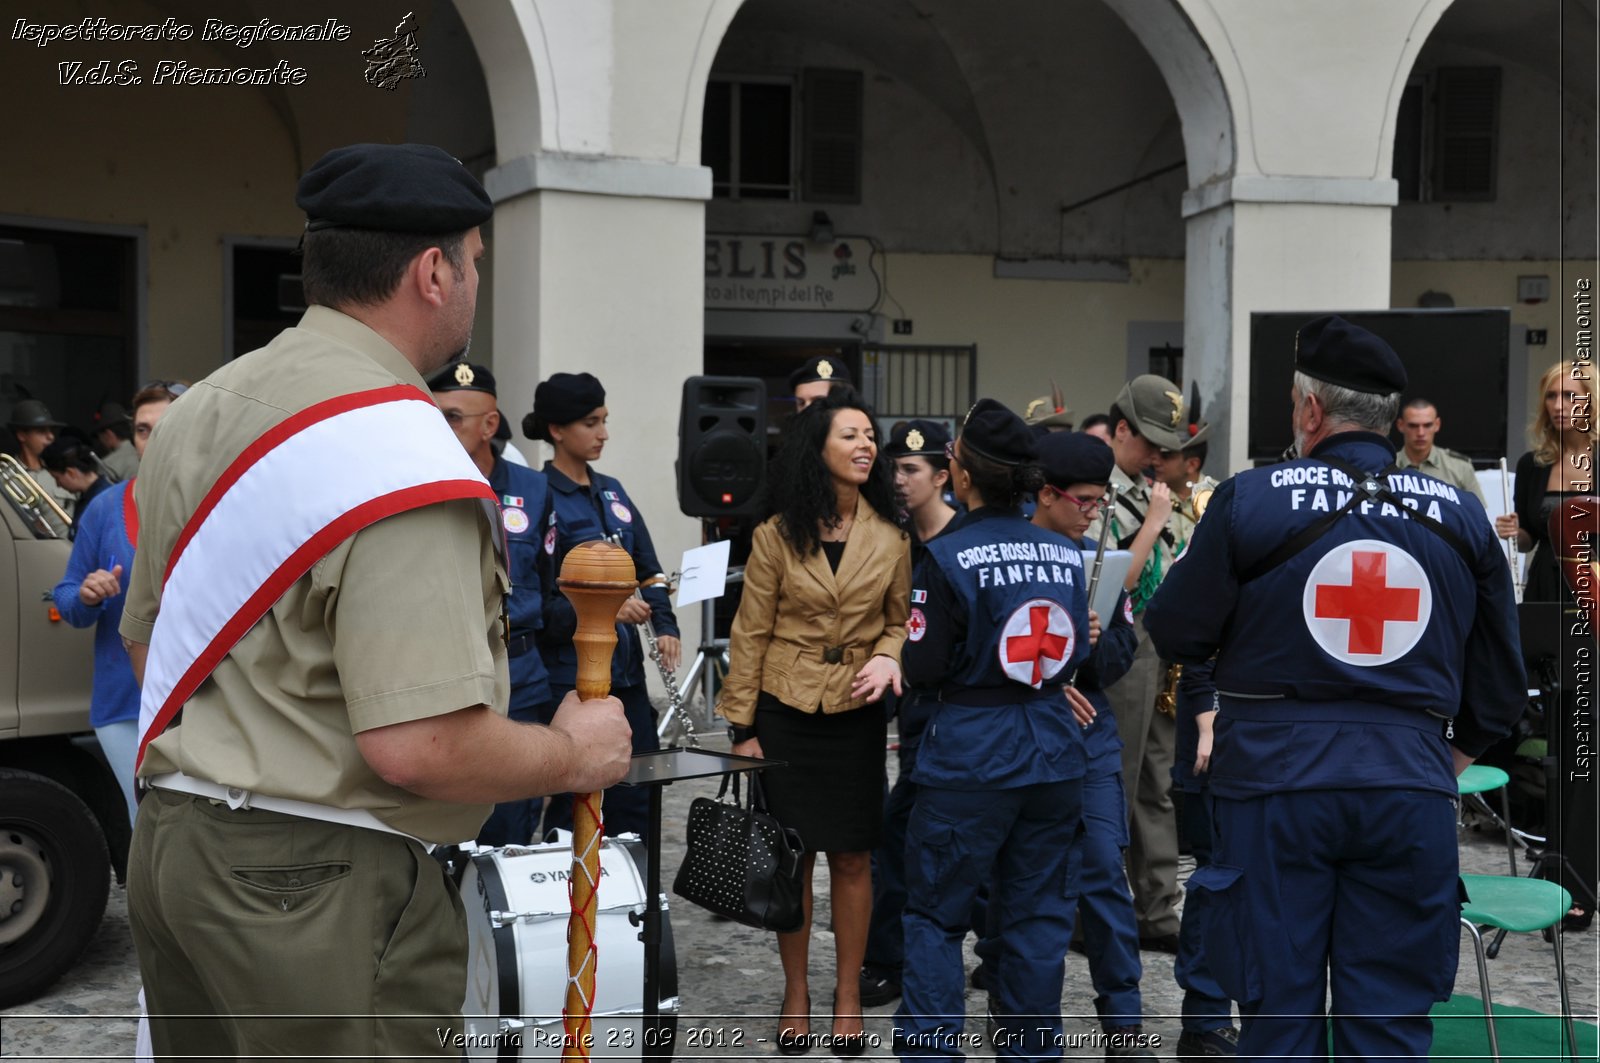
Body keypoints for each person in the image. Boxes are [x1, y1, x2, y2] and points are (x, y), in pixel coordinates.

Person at [118, 143, 632, 1060]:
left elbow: (148, 648)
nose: (476, 279)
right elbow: (421, 744)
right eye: (474, 260)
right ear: (434, 271)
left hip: (172, 848)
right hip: (314, 888)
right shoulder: (403, 451)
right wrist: (571, 752)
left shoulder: (203, 408)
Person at [1145, 315, 1524, 1062]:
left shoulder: (1250, 499)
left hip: (1272, 784)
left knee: (1274, 1020)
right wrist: (1446, 757)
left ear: (1311, 410)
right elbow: (1501, 680)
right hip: (1409, 785)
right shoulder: (1460, 515)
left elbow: (1176, 625)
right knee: (1386, 1025)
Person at [893, 399, 1095, 1062]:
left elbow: (922, 666)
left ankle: (931, 1052)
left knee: (934, 916)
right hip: (1054, 751)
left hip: (970, 758)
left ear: (963, 473)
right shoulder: (1069, 554)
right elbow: (1071, 654)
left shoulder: (945, 555)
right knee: (1037, 924)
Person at [719, 391, 910, 1054]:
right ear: (815, 449)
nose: (865, 446)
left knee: (855, 855)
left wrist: (889, 656)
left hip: (856, 709)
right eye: (849, 435)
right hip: (787, 705)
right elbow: (750, 631)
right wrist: (742, 725)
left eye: (870, 436)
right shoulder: (774, 534)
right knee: (792, 857)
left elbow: (898, 620)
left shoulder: (891, 535)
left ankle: (848, 993)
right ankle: (796, 989)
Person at [1026, 430, 1156, 1058]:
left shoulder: (1098, 559)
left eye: (1100, 503)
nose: (1094, 514)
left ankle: (1124, 1025)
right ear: (1046, 495)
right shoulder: (1015, 551)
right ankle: (1031, 1027)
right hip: (1025, 739)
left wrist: (1096, 639)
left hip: (1089, 735)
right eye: (1084, 501)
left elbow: (1121, 654)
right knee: (1034, 888)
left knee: (1105, 872)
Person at [527, 370, 679, 843]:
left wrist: (667, 623)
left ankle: (639, 910)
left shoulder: (612, 491)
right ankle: (572, 908)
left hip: (627, 679)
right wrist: (604, 612)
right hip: (572, 682)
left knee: (639, 799)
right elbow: (538, 602)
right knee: (578, 805)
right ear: (557, 430)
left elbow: (649, 570)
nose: (603, 434)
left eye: (604, 421)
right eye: (591, 423)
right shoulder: (538, 496)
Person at [428, 361, 554, 847]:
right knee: (444, 818)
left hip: (518, 673)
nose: (442, 427)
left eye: (454, 417)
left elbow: (547, 580)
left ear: (491, 424)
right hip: (445, 669)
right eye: (435, 415)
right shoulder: (418, 484)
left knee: (509, 824)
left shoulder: (533, 490)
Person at [50, 382, 185, 825]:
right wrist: (87, 594)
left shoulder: (221, 504)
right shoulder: (106, 508)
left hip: (204, 700)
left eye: (166, 428)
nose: (152, 440)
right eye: (144, 431)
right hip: (124, 703)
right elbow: (67, 598)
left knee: (197, 827)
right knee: (146, 819)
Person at [1497, 359, 1598, 929]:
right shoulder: (1533, 465)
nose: (1561, 406)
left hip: (1594, 604)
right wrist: (1519, 530)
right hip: (1545, 602)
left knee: (1584, 748)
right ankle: (1559, 870)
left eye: (1571, 395)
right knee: (1554, 740)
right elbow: (1536, 533)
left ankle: (1582, 880)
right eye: (1553, 396)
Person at [861, 418, 958, 1009]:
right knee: (893, 838)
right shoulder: (890, 540)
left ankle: (984, 953)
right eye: (893, 467)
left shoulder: (963, 542)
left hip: (955, 715)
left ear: (943, 475)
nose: (898, 479)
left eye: (911, 470)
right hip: (907, 711)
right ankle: (887, 957)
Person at [1101, 374, 1186, 953]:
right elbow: (1111, 585)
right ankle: (1099, 915)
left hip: (1158, 646)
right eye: (1150, 441)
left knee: (1156, 783)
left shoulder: (1142, 486)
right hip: (1118, 649)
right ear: (1121, 429)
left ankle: (1158, 911)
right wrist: (1154, 522)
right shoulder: (1102, 492)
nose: (1160, 455)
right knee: (1117, 786)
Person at [1394, 397, 1487, 503]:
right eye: (1413, 426)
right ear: (1400, 425)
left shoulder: (1460, 468)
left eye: (1427, 425)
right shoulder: (1386, 465)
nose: (1420, 433)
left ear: (1437, 424)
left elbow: (1476, 514)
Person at [6, 398, 72, 532]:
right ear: (22, 435)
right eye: (41, 431)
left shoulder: (64, 469)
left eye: (50, 430)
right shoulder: (7, 478)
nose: (51, 437)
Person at [41, 435, 112, 529]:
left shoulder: (101, 502)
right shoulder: (98, 496)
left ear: (71, 473)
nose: (58, 485)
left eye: (57, 478)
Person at [93, 401, 141, 481]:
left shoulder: (107, 464)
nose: (101, 442)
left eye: (100, 437)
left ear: (109, 434)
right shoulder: (143, 456)